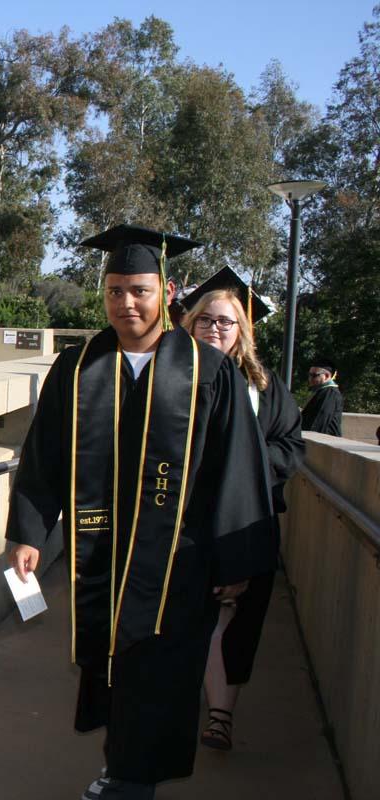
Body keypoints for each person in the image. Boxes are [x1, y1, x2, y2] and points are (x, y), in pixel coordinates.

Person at [7, 225, 275, 800]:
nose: (126, 302)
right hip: (101, 551)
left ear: (168, 291)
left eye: (139, 290)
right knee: (112, 665)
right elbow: (44, 455)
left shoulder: (208, 370)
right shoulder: (77, 368)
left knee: (159, 670)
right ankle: (122, 767)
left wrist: (235, 560)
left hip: (179, 559)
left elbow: (236, 467)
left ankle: (131, 780)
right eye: (114, 291)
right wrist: (29, 531)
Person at [179, 268, 304, 751]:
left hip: (244, 523)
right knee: (184, 620)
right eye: (205, 320)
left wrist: (243, 464)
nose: (214, 329)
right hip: (183, 523)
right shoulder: (171, 375)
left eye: (225, 322)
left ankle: (220, 716)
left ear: (241, 331)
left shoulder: (263, 385)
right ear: (190, 323)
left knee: (232, 621)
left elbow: (290, 446)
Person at [301, 357, 343, 436]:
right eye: (309, 375)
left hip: (327, 439)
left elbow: (319, 421)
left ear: (326, 376)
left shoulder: (331, 393)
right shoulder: (321, 391)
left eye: (314, 375)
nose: (310, 378)